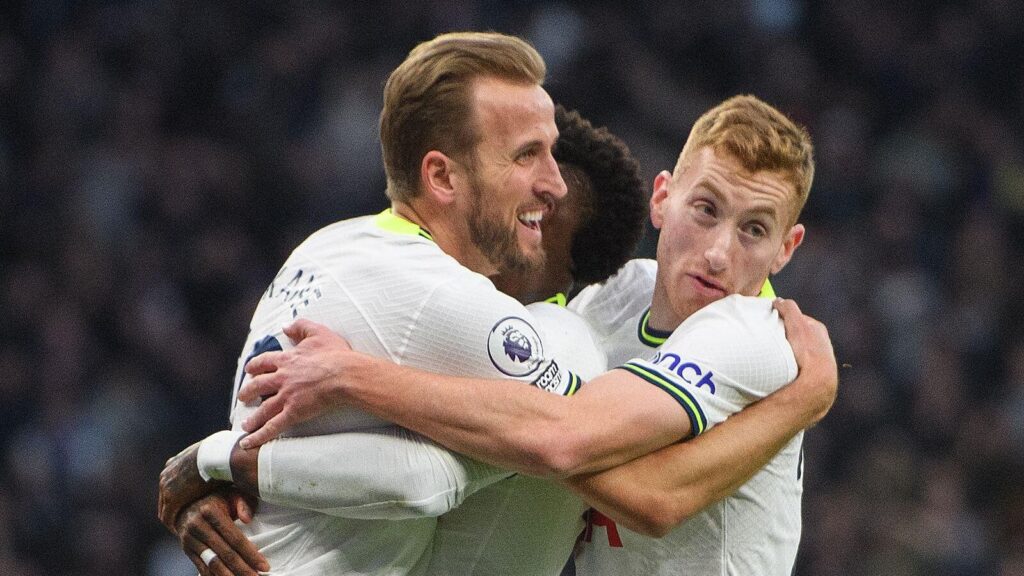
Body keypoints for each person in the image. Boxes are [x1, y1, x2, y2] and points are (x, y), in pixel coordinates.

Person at [222, 94, 834, 576]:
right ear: (663, 199)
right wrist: (221, 482)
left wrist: (354, 377)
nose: (720, 254)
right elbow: (491, 386)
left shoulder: (755, 335)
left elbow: (642, 493)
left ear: (787, 248)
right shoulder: (604, 300)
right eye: (706, 210)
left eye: (754, 230)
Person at [162, 101, 650, 576]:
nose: (510, 208)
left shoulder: (566, 347)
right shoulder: (409, 296)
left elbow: (421, 482)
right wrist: (216, 489)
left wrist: (221, 461)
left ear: (574, 261)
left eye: (538, 213)